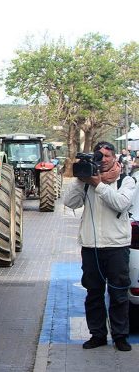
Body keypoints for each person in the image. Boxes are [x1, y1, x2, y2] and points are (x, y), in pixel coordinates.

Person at [64, 141, 135, 351]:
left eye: (107, 155)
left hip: (117, 247)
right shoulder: (87, 181)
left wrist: (98, 184)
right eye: (98, 155)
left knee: (119, 294)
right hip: (91, 246)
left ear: (114, 158)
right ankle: (97, 335)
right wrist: (80, 179)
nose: (102, 159)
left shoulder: (126, 181)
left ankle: (120, 336)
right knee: (93, 294)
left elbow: (121, 204)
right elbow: (70, 202)